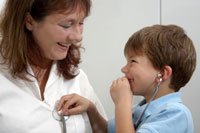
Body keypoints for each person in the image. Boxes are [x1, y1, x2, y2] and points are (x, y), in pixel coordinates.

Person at [58, 24, 196, 133]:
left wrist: (122, 102)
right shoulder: (139, 109)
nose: (124, 69)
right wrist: (91, 109)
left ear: (163, 73)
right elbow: (106, 131)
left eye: (133, 61)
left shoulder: (176, 114)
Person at [0, 0, 107, 133]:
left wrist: (93, 111)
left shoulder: (78, 77)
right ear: (29, 21)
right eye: (66, 25)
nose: (78, 36)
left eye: (81, 23)